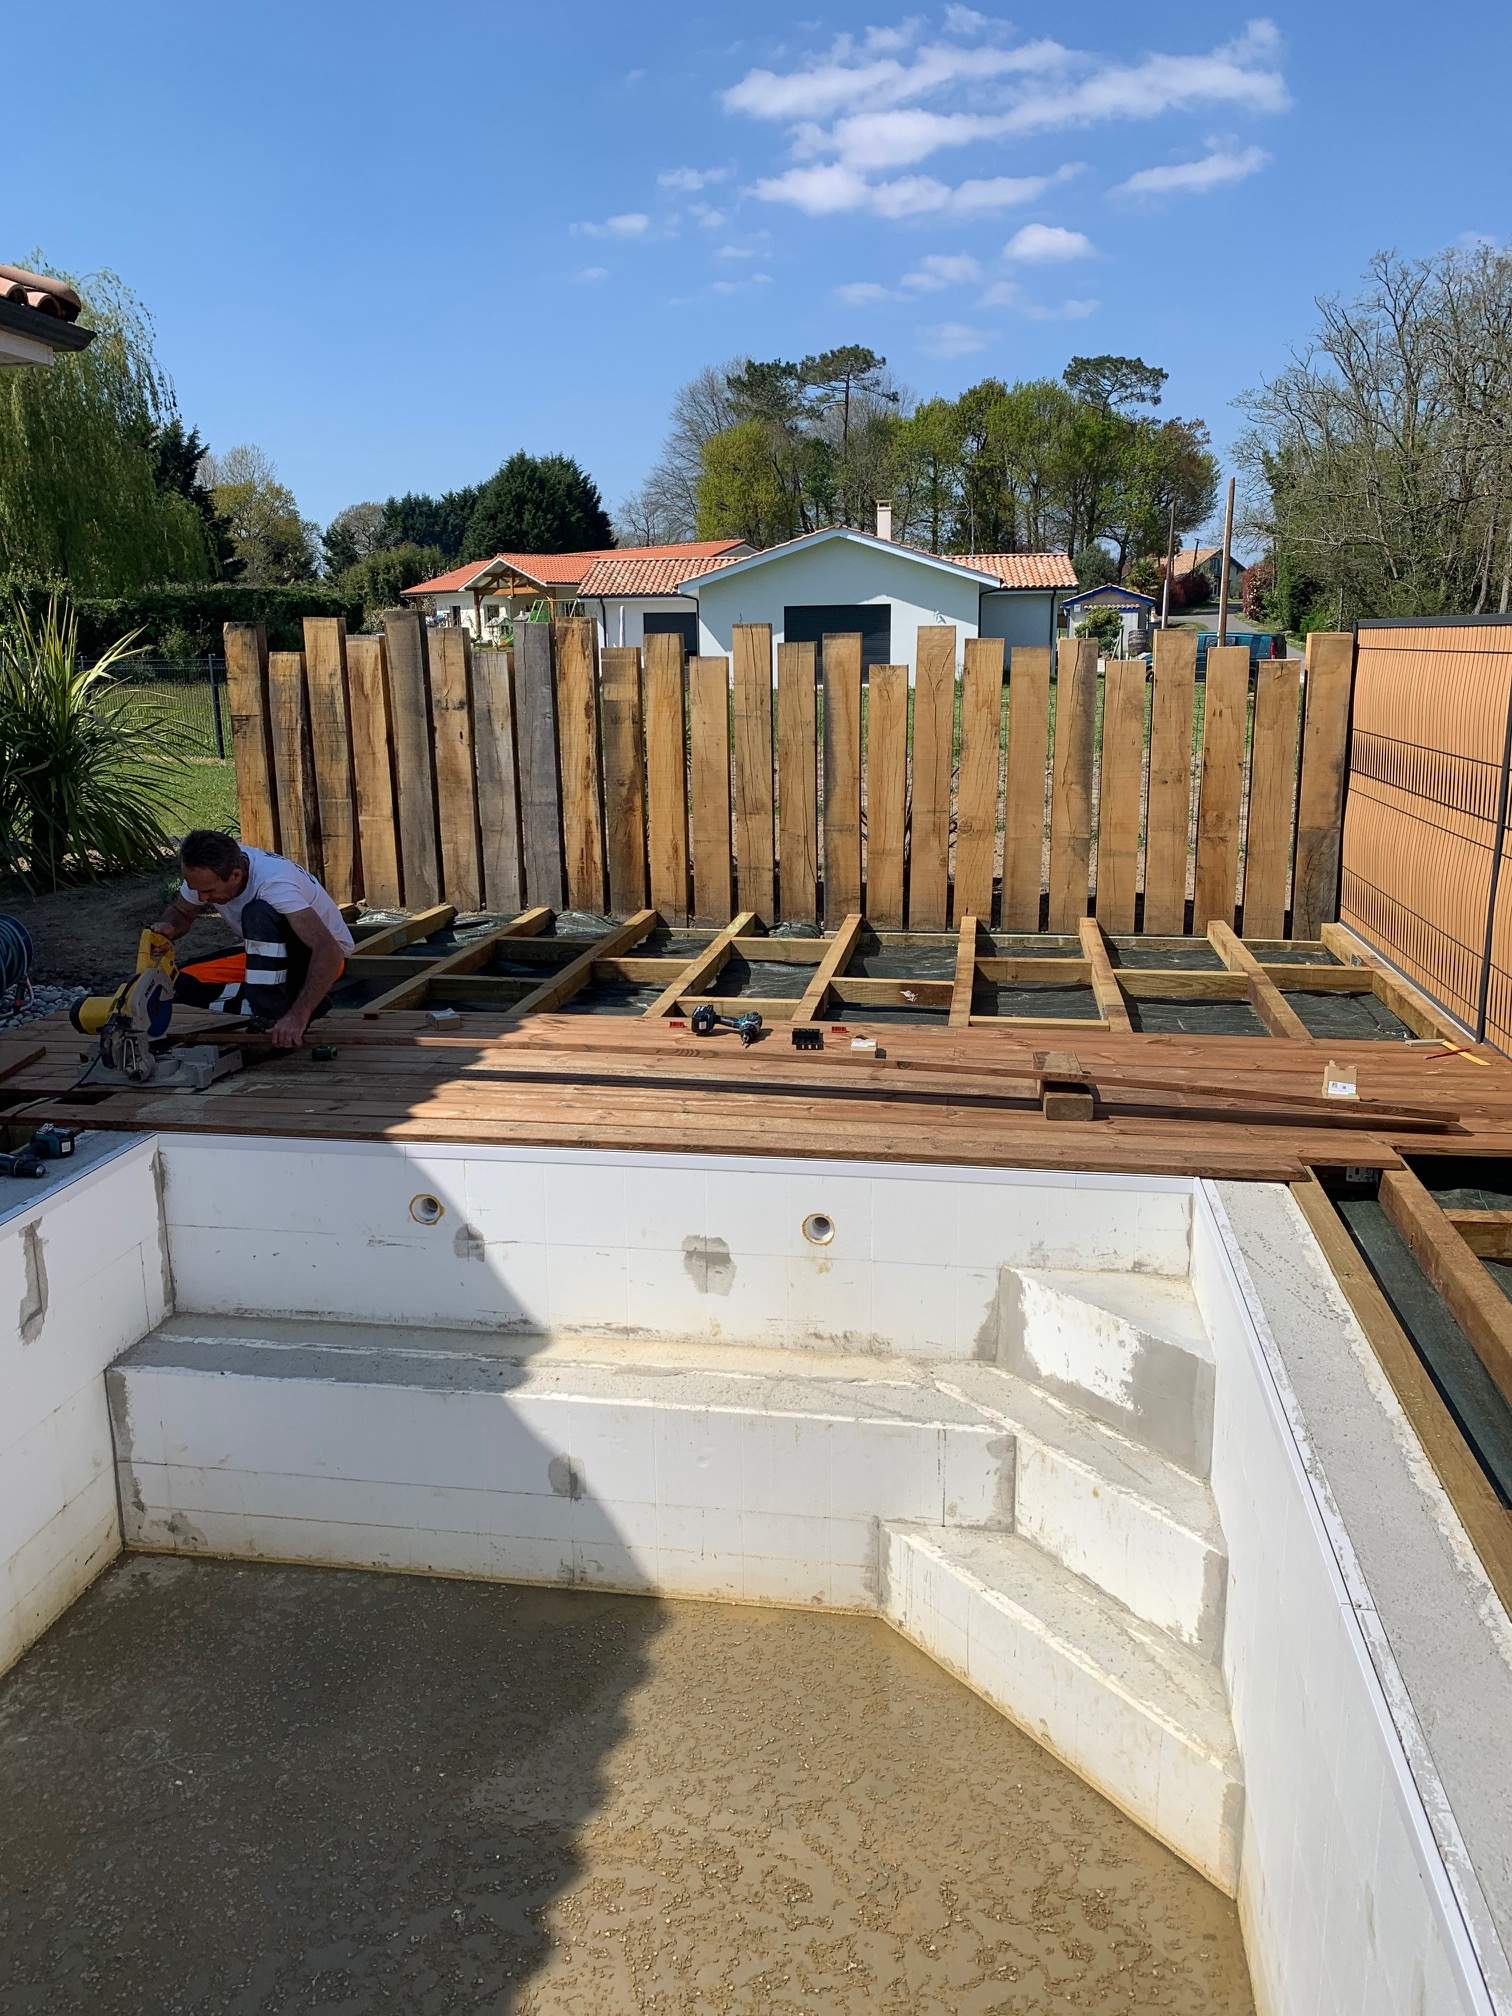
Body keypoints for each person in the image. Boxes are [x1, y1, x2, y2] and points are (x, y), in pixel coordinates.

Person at [149, 831, 354, 1048]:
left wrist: (298, 1016)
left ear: (236, 875)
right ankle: (285, 1004)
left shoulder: (275, 883)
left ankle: (274, 1014)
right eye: (195, 889)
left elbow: (328, 950)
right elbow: (182, 911)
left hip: (326, 960)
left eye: (208, 891)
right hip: (269, 955)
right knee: (177, 982)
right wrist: (169, 927)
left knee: (257, 914)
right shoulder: (208, 874)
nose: (202, 899)